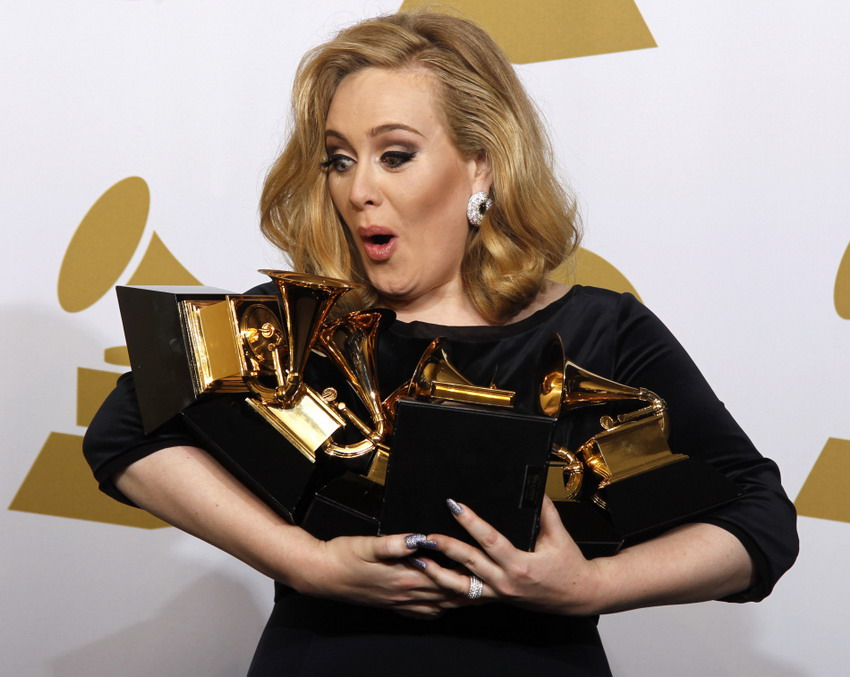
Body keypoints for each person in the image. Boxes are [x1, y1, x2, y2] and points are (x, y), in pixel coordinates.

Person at [83, 10, 798, 676]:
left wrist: (590, 584)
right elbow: (123, 431)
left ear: (480, 165)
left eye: (394, 155)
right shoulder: (300, 322)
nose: (358, 188)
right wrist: (308, 562)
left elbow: (759, 520)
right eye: (338, 158)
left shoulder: (599, 331)